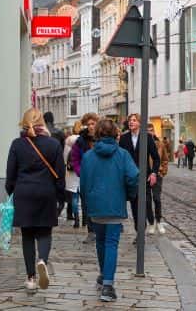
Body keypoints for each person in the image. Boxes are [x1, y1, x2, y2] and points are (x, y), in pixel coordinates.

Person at [5, 108, 68, 292]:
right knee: (44, 233)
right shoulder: (53, 144)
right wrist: (60, 197)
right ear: (42, 123)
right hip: (45, 193)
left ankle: (31, 278)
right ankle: (42, 261)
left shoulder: (17, 144)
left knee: (27, 236)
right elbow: (60, 175)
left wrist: (11, 192)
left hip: (24, 193)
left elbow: (10, 175)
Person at [80, 118, 139, 303]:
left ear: (96, 134)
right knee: (111, 243)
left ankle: (103, 275)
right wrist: (129, 195)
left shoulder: (88, 156)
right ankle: (107, 284)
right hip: (114, 204)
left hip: (96, 205)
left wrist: (87, 203)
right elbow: (133, 176)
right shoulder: (123, 155)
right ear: (116, 134)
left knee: (100, 241)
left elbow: (83, 184)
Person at [117, 114, 160, 234]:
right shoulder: (124, 138)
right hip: (130, 178)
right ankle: (139, 232)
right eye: (130, 120)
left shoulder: (147, 137)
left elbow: (156, 158)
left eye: (134, 120)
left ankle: (142, 230)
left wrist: (154, 173)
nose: (131, 122)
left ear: (140, 123)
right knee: (134, 206)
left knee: (145, 204)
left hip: (144, 177)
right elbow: (120, 158)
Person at [70, 112, 100, 242]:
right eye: (88, 124)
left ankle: (99, 229)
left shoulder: (103, 138)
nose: (91, 126)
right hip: (86, 178)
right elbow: (75, 158)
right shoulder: (80, 141)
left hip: (101, 177)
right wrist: (79, 171)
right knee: (86, 204)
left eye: (93, 124)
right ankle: (91, 231)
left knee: (99, 203)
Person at [63, 121, 82, 228]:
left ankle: (77, 219)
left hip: (71, 173)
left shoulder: (68, 141)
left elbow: (65, 158)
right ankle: (85, 221)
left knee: (74, 197)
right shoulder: (84, 141)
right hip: (82, 171)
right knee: (84, 198)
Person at [153, 131, 172, 235]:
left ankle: (158, 221)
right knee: (145, 201)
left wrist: (162, 171)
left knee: (156, 198)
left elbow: (165, 159)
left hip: (157, 174)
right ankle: (151, 221)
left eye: (151, 130)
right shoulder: (141, 143)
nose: (149, 132)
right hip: (145, 175)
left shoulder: (160, 144)